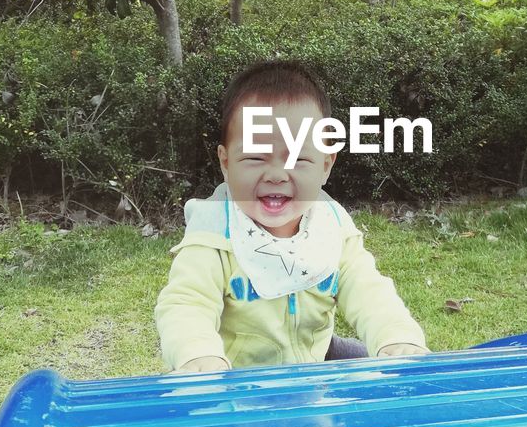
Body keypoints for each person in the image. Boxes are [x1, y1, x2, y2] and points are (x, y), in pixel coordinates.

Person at [155, 60, 429, 373]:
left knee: (380, 366)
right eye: (256, 157)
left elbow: (370, 291)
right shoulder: (214, 236)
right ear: (226, 162)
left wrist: (396, 337)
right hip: (239, 376)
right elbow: (187, 304)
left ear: (325, 165)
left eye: (298, 158)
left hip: (315, 363)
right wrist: (199, 356)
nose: (276, 174)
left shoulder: (332, 229)